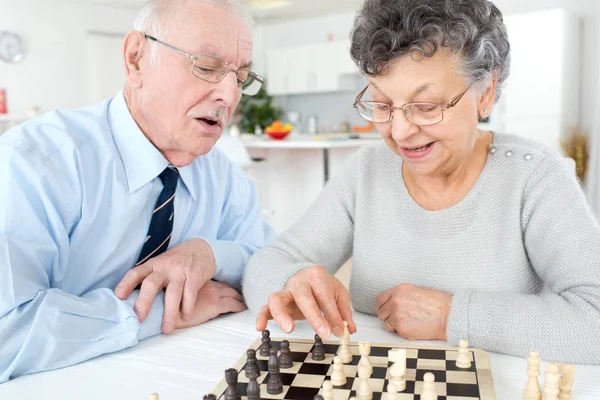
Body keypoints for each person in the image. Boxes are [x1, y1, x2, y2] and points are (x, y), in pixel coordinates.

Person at [243, 0, 600, 364]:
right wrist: (292, 280)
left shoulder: (535, 177)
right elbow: (267, 262)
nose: (399, 131)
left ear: (486, 91)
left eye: (426, 106)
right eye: (382, 105)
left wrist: (451, 317)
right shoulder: (366, 171)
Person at [0, 0, 274, 382]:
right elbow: (8, 333)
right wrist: (162, 309)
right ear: (136, 59)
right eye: (207, 67)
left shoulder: (225, 178)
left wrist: (210, 255)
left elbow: (271, 260)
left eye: (241, 77)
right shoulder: (36, 163)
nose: (229, 96)